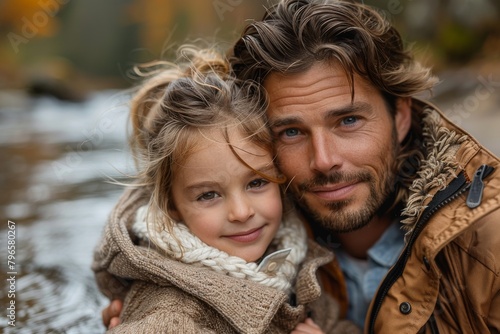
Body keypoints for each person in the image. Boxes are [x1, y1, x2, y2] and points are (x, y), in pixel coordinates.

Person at [103, 0, 500, 332]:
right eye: (291, 131)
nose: (324, 161)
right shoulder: (259, 237)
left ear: (400, 117)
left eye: (348, 121)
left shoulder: (487, 249)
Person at [92, 46, 360, 333]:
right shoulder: (172, 314)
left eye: (257, 182)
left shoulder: (294, 256)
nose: (241, 212)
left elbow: (339, 324)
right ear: (172, 206)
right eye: (208, 195)